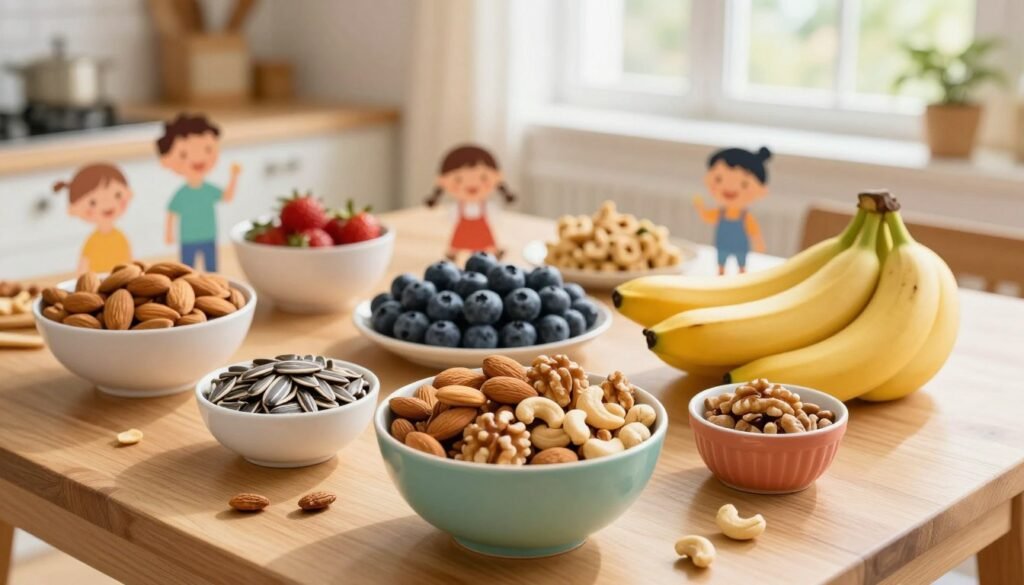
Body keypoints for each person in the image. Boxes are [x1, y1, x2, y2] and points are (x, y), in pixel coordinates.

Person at [157, 114, 241, 271]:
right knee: (187, 271)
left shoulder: (209, 189)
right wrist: (169, 234)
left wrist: (234, 177)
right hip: (187, 239)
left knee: (211, 271)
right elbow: (171, 212)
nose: (197, 158)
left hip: (209, 236)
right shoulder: (182, 193)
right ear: (166, 160)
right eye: (184, 154)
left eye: (207, 149)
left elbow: (227, 196)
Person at [425, 144, 515, 260]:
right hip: (464, 228)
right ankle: (452, 254)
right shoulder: (458, 208)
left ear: (498, 177)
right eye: (458, 179)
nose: (471, 183)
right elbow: (450, 217)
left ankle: (495, 252)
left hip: (481, 228)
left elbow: (494, 216)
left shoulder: (486, 207)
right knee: (458, 241)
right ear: (442, 181)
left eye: (483, 177)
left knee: (487, 241)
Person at [693, 146, 771, 275]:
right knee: (721, 265)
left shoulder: (745, 216)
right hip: (722, 246)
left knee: (741, 266)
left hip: (740, 247)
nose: (730, 187)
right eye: (719, 179)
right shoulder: (720, 213)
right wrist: (700, 207)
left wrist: (759, 243)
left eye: (744, 184)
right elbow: (707, 216)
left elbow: (754, 230)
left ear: (761, 190)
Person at [54, 163, 133, 274]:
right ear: (74, 209)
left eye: (117, 195)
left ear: (128, 193)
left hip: (119, 281)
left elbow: (129, 262)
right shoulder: (93, 241)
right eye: (93, 202)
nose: (107, 204)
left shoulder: (121, 237)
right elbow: (84, 265)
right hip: (96, 283)